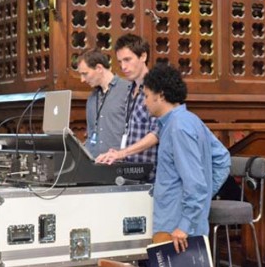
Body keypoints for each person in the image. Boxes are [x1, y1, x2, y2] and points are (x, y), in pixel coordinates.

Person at [142, 63, 231, 252]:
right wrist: (202, 199)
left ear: (160, 95)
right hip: (181, 222)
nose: (144, 102)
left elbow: (196, 181)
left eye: (147, 96)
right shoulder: (190, 120)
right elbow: (222, 159)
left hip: (176, 228)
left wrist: (186, 222)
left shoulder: (178, 128)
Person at [96, 34, 159, 180]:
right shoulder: (130, 88)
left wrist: (122, 153)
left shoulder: (156, 86)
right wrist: (116, 153)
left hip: (152, 177)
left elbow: (157, 133)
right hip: (132, 173)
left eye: (128, 59)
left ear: (143, 56)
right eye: (120, 61)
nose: (123, 67)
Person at [78, 48, 131, 158]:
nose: (82, 80)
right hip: (94, 165)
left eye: (85, 74)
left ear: (99, 68)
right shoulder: (92, 98)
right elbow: (90, 134)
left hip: (119, 165)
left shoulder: (128, 90)